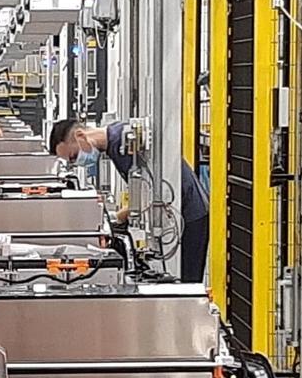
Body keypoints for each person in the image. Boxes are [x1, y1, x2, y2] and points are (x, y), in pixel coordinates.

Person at [49, 119, 210, 283]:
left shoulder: (123, 143)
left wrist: (114, 218)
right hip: (178, 211)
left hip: (190, 212)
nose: (78, 162)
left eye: (74, 156)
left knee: (188, 285)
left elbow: (147, 194)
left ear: (80, 135)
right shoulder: (116, 140)